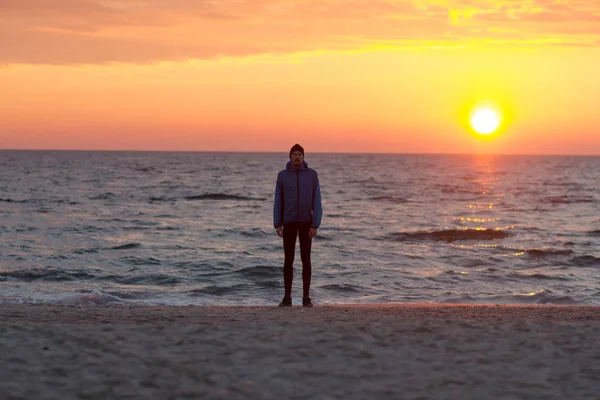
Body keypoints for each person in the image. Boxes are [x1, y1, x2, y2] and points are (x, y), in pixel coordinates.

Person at [273, 144, 322, 307]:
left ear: (303, 157)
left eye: (300, 154)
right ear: (290, 157)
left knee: (306, 260)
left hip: (306, 222)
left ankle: (306, 298)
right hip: (289, 222)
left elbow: (317, 200)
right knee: (288, 260)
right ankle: (287, 297)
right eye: (294, 153)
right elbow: (278, 200)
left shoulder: (312, 175)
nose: (297, 156)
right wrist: (277, 223)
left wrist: (315, 224)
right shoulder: (282, 176)